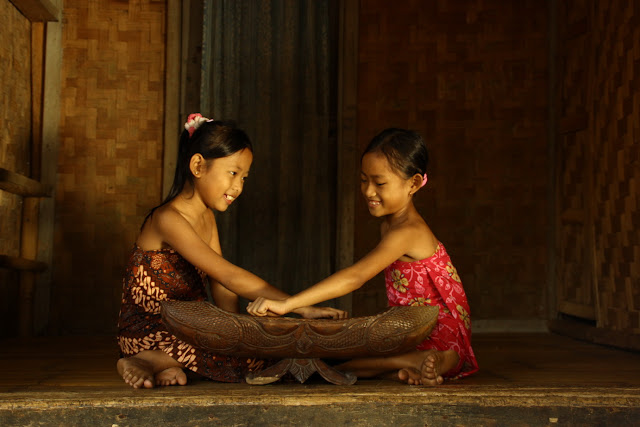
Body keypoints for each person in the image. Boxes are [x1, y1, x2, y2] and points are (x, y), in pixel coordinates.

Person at [116, 114, 345, 389]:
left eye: (244, 177)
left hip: (189, 329)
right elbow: (230, 276)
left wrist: (237, 332)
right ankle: (146, 359)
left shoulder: (207, 217)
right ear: (198, 165)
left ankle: (173, 365)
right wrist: (301, 307)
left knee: (256, 353)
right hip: (151, 330)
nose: (238, 187)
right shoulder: (167, 219)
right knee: (260, 363)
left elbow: (222, 287)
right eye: (233, 173)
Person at [247, 128, 479, 385]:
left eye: (379, 183)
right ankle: (410, 368)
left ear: (413, 183)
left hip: (438, 332)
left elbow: (356, 276)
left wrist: (287, 305)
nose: (368, 191)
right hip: (409, 332)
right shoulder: (389, 225)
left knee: (345, 365)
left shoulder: (408, 231)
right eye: (363, 180)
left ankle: (439, 359)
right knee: (348, 360)